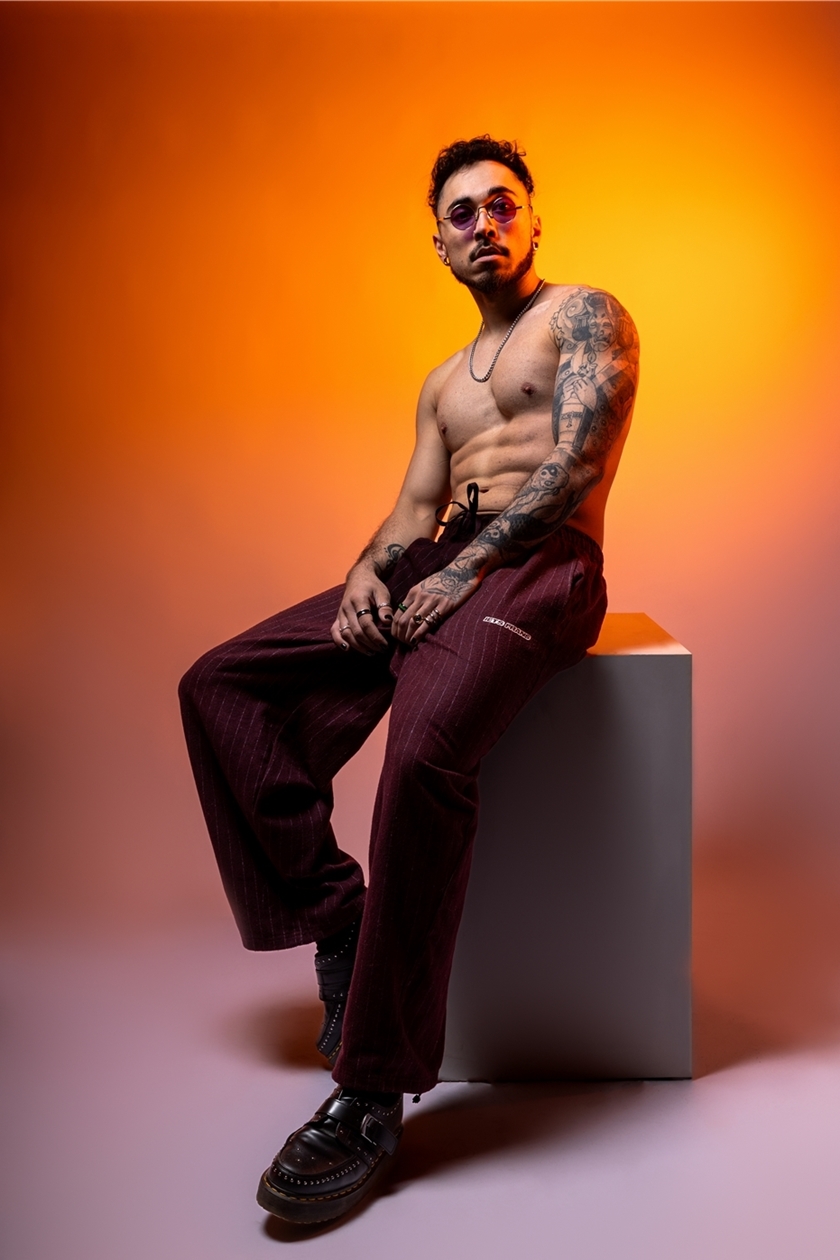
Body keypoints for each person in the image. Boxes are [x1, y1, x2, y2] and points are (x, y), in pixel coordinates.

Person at [179, 135, 639, 1225]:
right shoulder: (443, 383)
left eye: (503, 205)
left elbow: (579, 460)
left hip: (544, 568)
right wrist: (365, 574)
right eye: (462, 213)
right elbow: (413, 511)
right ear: (437, 242)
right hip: (446, 560)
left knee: (423, 754)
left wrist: (467, 572)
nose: (485, 225)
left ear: (535, 219)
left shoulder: (583, 316)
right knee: (222, 687)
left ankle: (372, 1092)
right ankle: (336, 917)